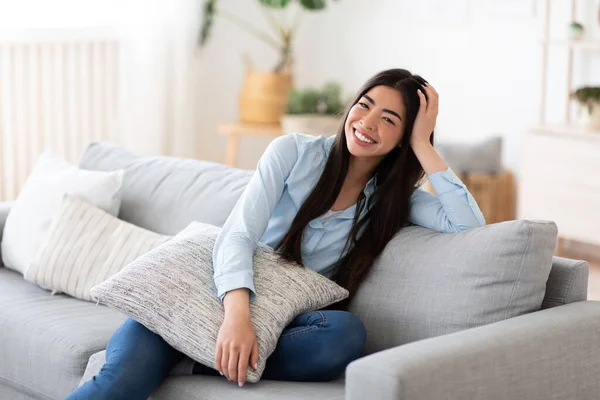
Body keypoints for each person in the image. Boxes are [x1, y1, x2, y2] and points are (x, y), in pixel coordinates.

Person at [67, 68, 485, 400]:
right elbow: (237, 236)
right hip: (208, 297)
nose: (367, 122)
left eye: (389, 119)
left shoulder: (394, 202)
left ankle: (196, 356)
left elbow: (468, 225)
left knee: (343, 336)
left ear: (402, 140)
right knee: (117, 386)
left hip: (282, 320)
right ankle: (205, 347)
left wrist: (423, 145)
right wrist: (236, 317)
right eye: (365, 105)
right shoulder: (294, 152)